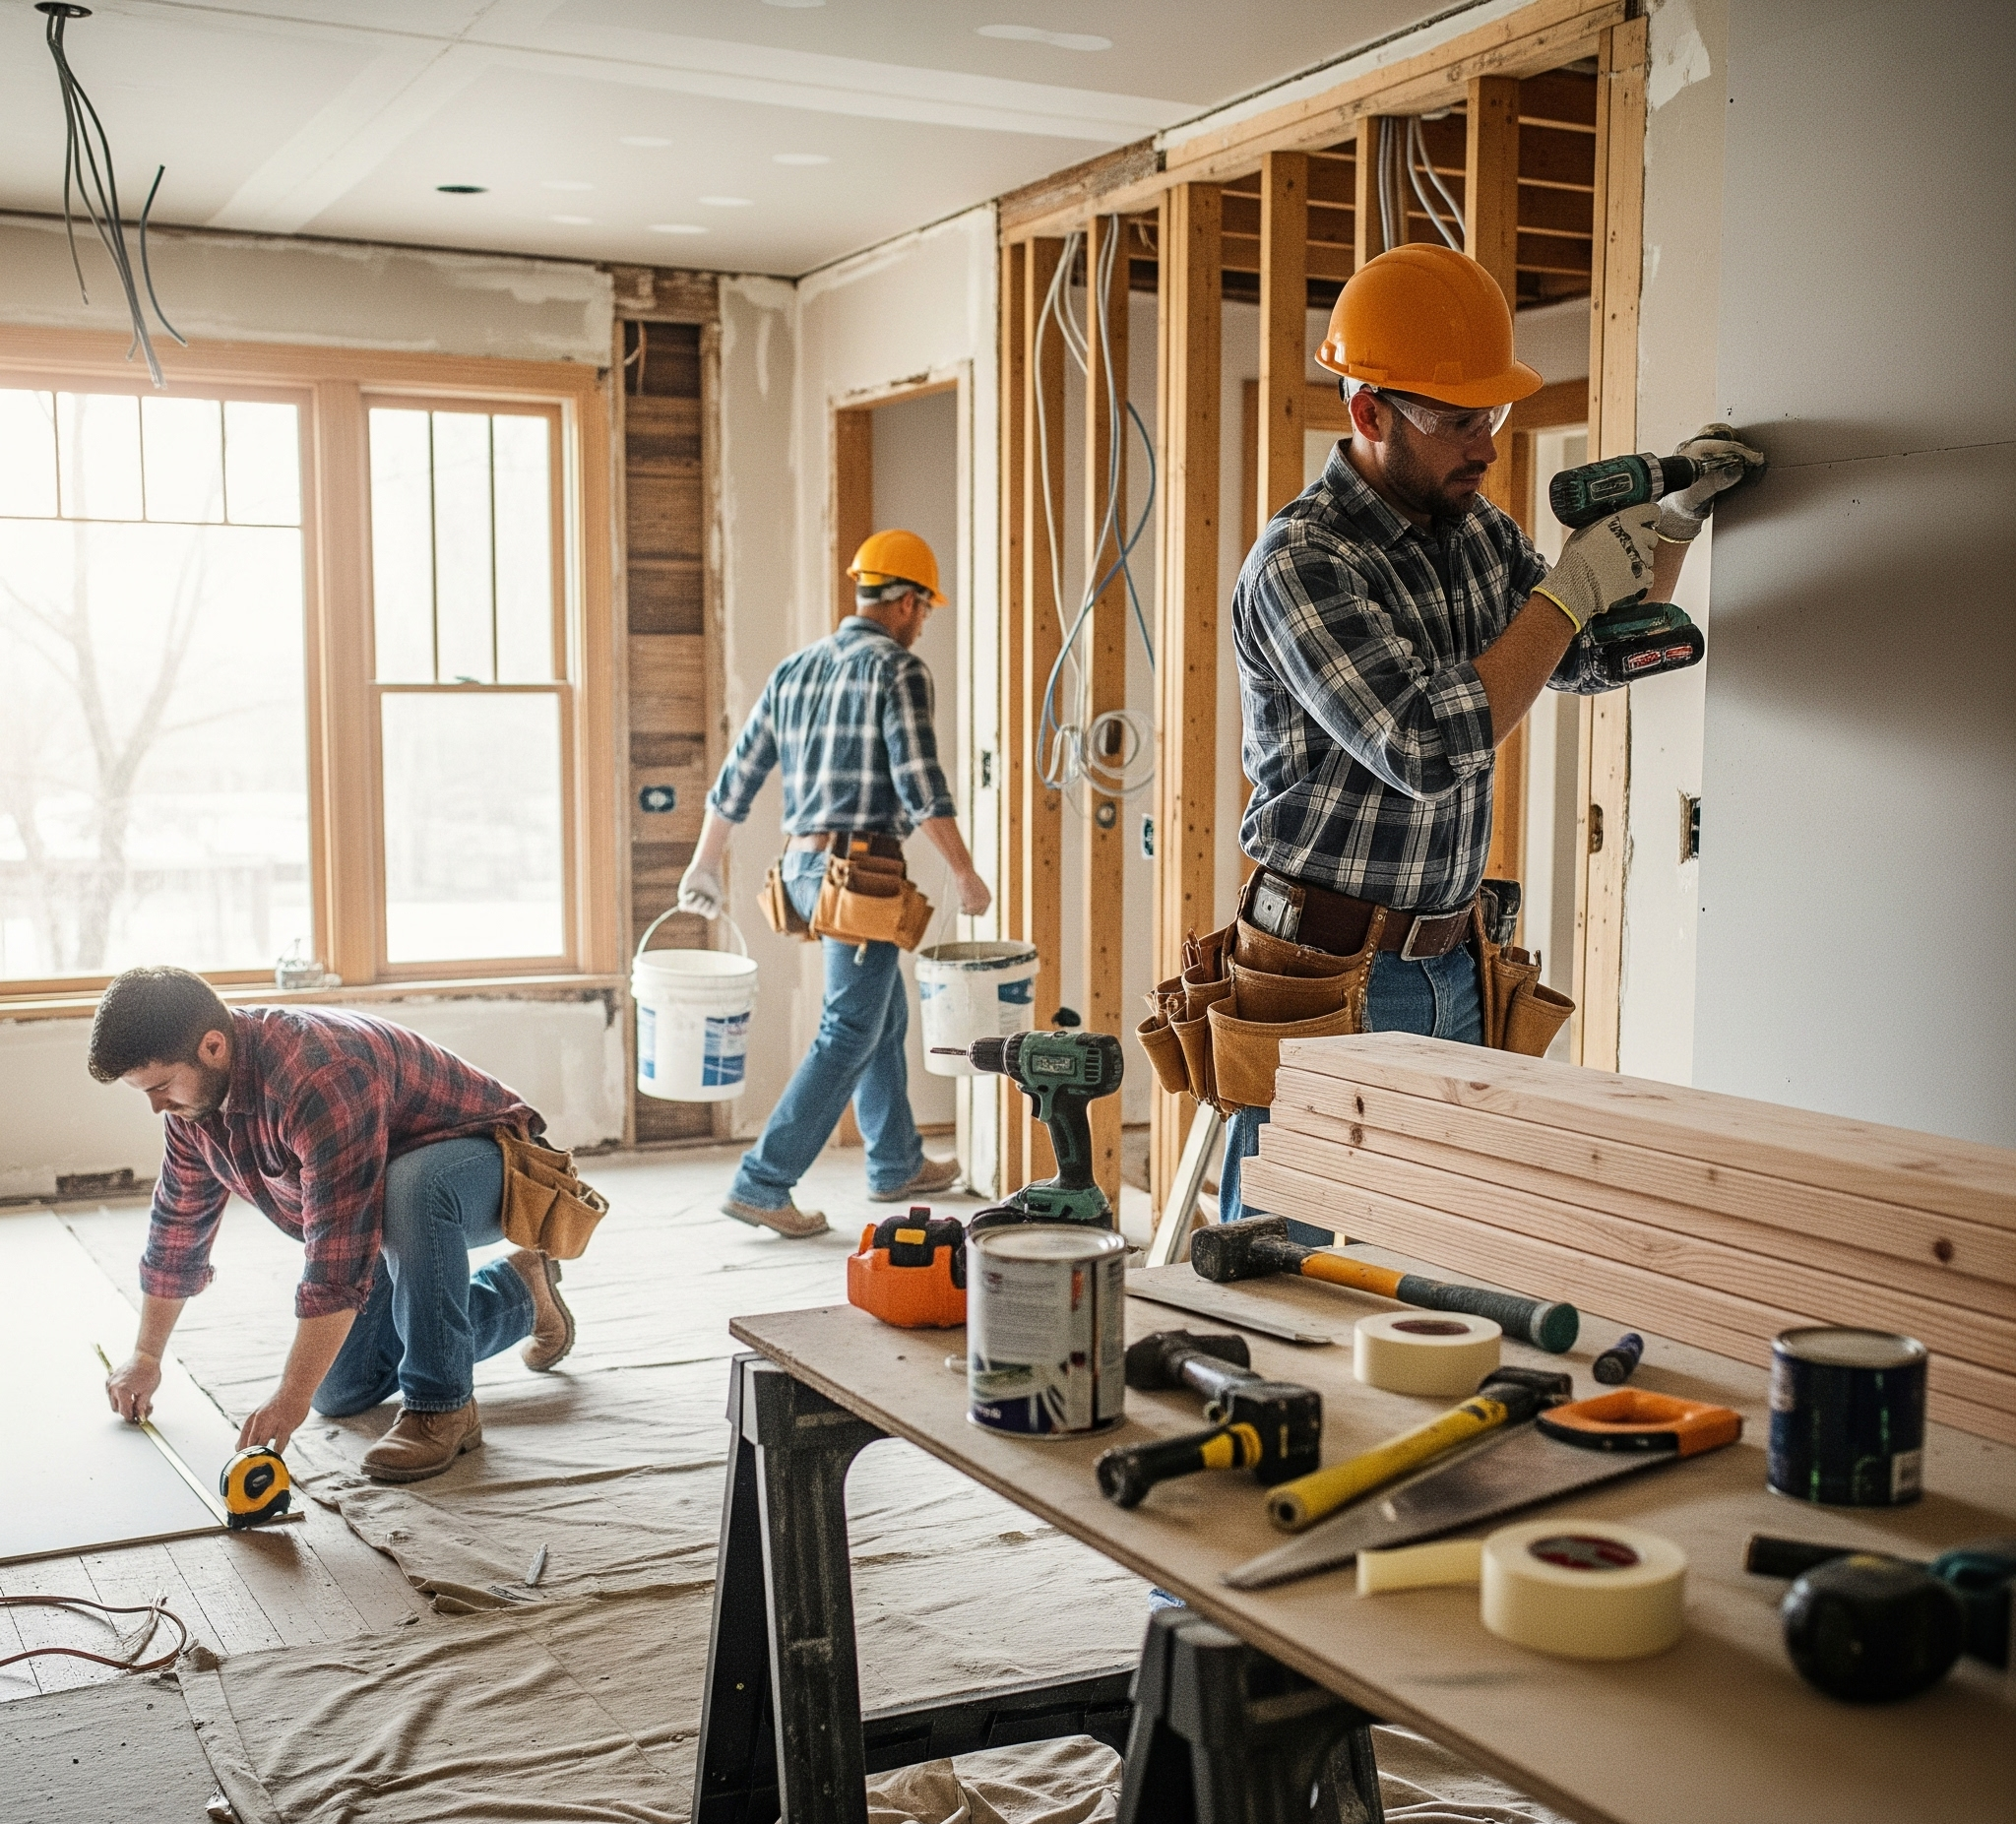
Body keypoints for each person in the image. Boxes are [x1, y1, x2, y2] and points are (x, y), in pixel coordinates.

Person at [1221, 243, 1761, 1219]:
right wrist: (1566, 587)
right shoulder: (1301, 562)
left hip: (1456, 959)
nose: (1484, 444)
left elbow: (1586, 653)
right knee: (1282, 1272)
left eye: (1493, 416)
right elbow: (1422, 747)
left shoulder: (1479, 536)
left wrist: (1672, 523)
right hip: (1322, 975)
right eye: (1456, 421)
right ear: (1368, 412)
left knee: (1440, 1254)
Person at [91, 967, 577, 1483]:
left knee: (410, 1187)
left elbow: (335, 1262)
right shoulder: (192, 1111)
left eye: (161, 1086)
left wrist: (287, 1398)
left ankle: (443, 1407)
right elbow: (177, 1230)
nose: (156, 1107)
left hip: (495, 1166)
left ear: (213, 1046)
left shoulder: (319, 1075)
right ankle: (520, 1294)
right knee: (339, 1389)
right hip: (383, 1207)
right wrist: (146, 1355)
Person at [678, 530, 990, 1238]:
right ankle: (763, 1180)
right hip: (861, 871)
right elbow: (920, 782)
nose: (922, 623)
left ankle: (894, 1158)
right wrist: (965, 872)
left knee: (881, 1010)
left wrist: (704, 862)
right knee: (849, 1028)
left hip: (802, 868)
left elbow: (738, 775)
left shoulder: (796, 669)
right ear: (907, 602)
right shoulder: (897, 671)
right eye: (925, 610)